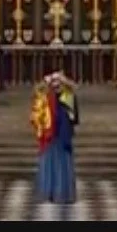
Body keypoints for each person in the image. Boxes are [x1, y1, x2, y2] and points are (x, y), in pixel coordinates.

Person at [33, 72, 80, 205]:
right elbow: (37, 108)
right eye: (53, 82)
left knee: (62, 162)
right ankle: (48, 191)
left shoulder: (68, 95)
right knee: (48, 160)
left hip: (62, 134)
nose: (56, 84)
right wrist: (44, 83)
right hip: (49, 135)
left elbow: (74, 116)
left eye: (58, 82)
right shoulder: (44, 96)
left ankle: (62, 192)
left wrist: (66, 82)